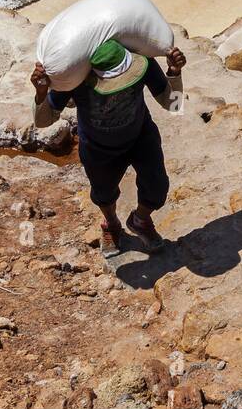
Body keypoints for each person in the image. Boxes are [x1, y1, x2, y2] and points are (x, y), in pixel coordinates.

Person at [31, 39, 186, 255]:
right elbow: (43, 121)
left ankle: (140, 220)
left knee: (157, 186)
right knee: (104, 194)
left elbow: (174, 103)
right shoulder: (76, 78)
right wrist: (41, 93)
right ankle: (112, 224)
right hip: (98, 147)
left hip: (140, 135)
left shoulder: (144, 65)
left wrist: (174, 72)